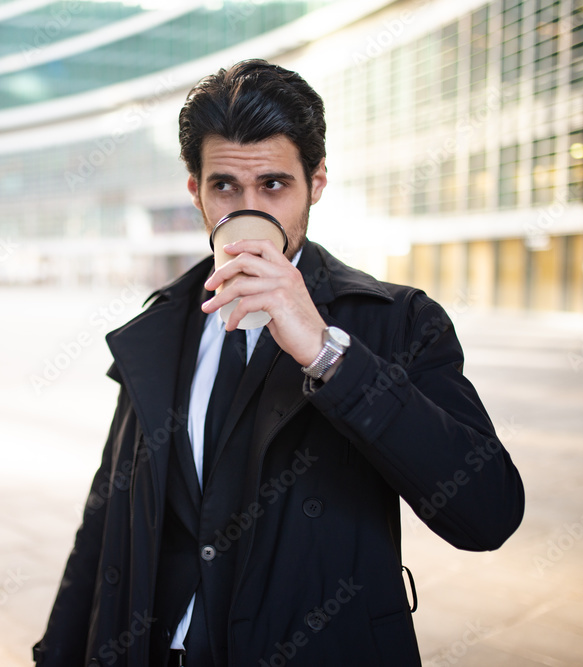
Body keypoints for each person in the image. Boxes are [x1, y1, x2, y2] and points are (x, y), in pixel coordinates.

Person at [33, 58, 524, 666]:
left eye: (273, 185)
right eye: (224, 187)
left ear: (315, 183)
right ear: (195, 192)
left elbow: (488, 512)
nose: (248, 212)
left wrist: (327, 352)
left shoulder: (395, 320)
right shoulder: (163, 323)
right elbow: (105, 519)